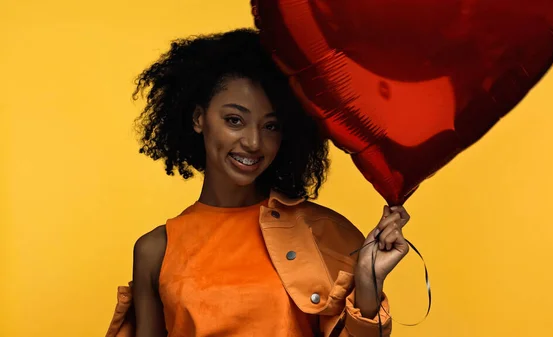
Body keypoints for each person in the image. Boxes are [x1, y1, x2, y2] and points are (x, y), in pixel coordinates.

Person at [105, 28, 411, 337]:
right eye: (234, 120)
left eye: (270, 126)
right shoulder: (155, 250)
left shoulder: (324, 232)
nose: (253, 142)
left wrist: (368, 284)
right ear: (199, 118)